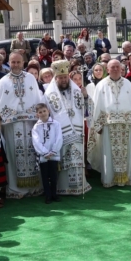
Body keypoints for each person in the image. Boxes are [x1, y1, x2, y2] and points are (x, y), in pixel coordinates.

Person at [0, 51, 46, 198]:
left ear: (23, 63)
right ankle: (15, 189)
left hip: (30, 124)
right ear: (9, 63)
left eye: (18, 62)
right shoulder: (3, 82)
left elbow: (37, 99)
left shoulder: (31, 79)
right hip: (11, 126)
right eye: (13, 62)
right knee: (13, 155)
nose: (15, 65)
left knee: (33, 152)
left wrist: (39, 116)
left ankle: (34, 187)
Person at [43, 60, 91, 194]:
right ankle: (63, 187)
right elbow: (45, 114)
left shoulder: (77, 91)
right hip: (60, 133)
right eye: (61, 78)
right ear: (56, 78)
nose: (64, 80)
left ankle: (79, 185)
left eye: (65, 77)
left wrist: (85, 96)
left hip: (77, 132)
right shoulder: (49, 94)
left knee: (77, 158)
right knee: (63, 161)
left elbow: (87, 110)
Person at [31, 103, 62, 203]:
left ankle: (54, 194)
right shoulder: (36, 127)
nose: (43, 113)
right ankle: (48, 195)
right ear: (37, 114)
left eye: (44, 111)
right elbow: (36, 142)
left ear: (48, 111)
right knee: (45, 177)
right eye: (40, 112)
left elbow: (59, 138)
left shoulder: (56, 124)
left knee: (53, 176)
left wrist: (53, 151)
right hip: (43, 156)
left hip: (53, 155)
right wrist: (44, 153)